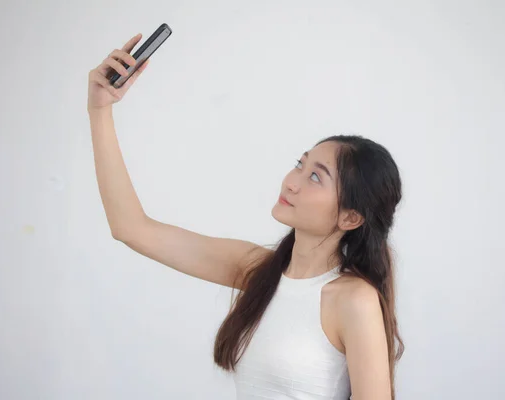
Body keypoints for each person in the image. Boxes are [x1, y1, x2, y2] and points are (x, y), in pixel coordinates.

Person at [87, 33, 405, 400]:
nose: (292, 182)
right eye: (300, 164)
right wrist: (100, 110)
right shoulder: (258, 271)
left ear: (351, 218)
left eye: (316, 176)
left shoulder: (354, 299)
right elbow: (131, 228)